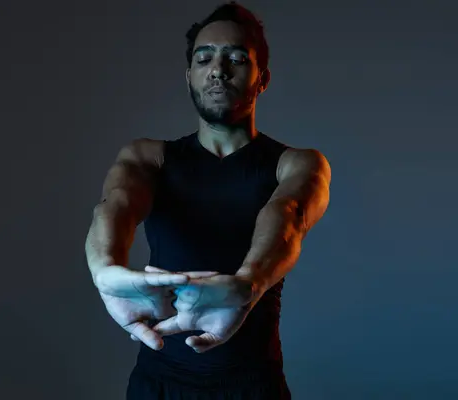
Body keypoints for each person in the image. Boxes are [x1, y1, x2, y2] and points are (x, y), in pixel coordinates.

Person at [85, 2, 331, 399]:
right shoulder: (149, 157)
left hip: (253, 386)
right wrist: (104, 270)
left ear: (262, 78)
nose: (218, 69)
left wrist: (246, 285)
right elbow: (116, 203)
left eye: (235, 58)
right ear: (189, 77)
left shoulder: (297, 164)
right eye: (205, 58)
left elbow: (289, 215)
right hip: (158, 386)